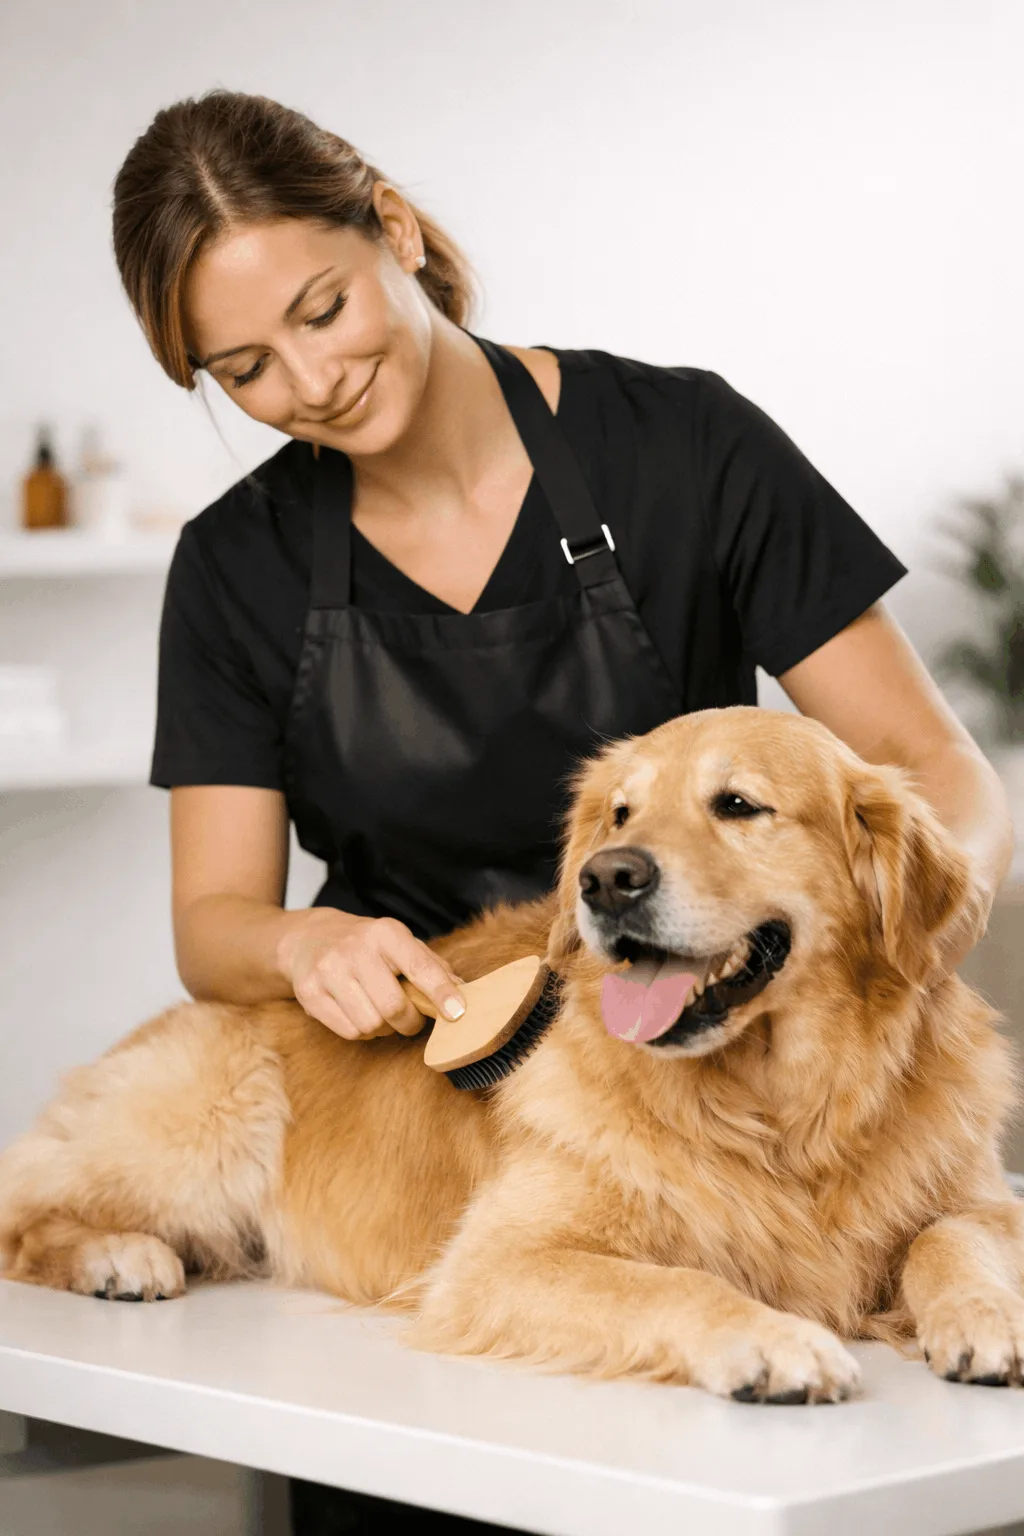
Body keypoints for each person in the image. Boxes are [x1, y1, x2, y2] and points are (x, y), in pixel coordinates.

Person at [112, 88, 1013, 1535]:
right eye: (246, 369)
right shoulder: (237, 567)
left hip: (714, 1023)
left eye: (326, 308)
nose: (313, 381)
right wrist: (302, 948)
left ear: (393, 228)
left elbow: (933, 769)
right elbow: (213, 925)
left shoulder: (686, 448)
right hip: (428, 1087)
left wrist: (900, 955)